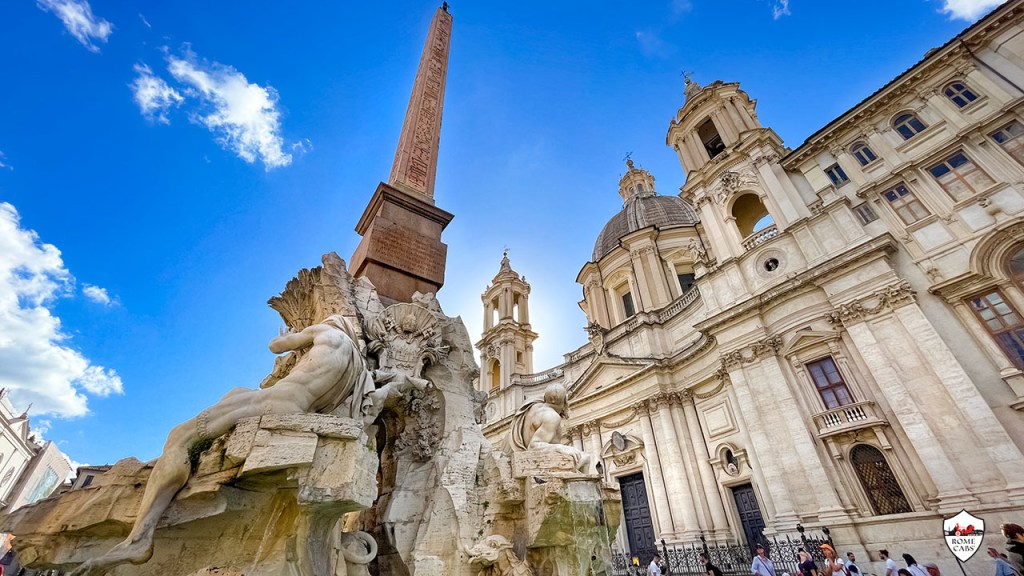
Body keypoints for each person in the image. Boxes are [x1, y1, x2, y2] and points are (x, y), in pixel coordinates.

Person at [70, 315, 386, 576]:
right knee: (234, 394)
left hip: (277, 402)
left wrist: (292, 336)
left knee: (182, 435)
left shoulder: (325, 332)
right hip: (298, 406)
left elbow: (276, 345)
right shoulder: (358, 370)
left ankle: (139, 537)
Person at [508, 383, 593, 473]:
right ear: (565, 400)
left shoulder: (534, 406)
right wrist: (561, 448)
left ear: (545, 398)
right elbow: (533, 446)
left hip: (535, 456)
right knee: (585, 458)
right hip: (538, 459)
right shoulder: (552, 417)